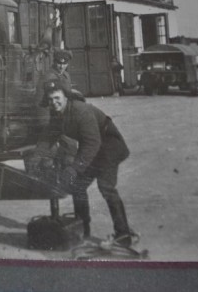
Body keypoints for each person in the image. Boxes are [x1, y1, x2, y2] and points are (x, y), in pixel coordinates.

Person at [37, 79, 136, 246]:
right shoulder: (57, 113)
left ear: (65, 96)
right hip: (92, 149)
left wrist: (75, 168)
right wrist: (37, 156)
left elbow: (93, 143)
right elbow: (48, 135)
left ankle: (123, 233)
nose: (54, 103)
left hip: (110, 146)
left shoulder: (80, 111)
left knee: (106, 187)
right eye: (50, 100)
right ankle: (82, 228)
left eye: (57, 98)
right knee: (77, 186)